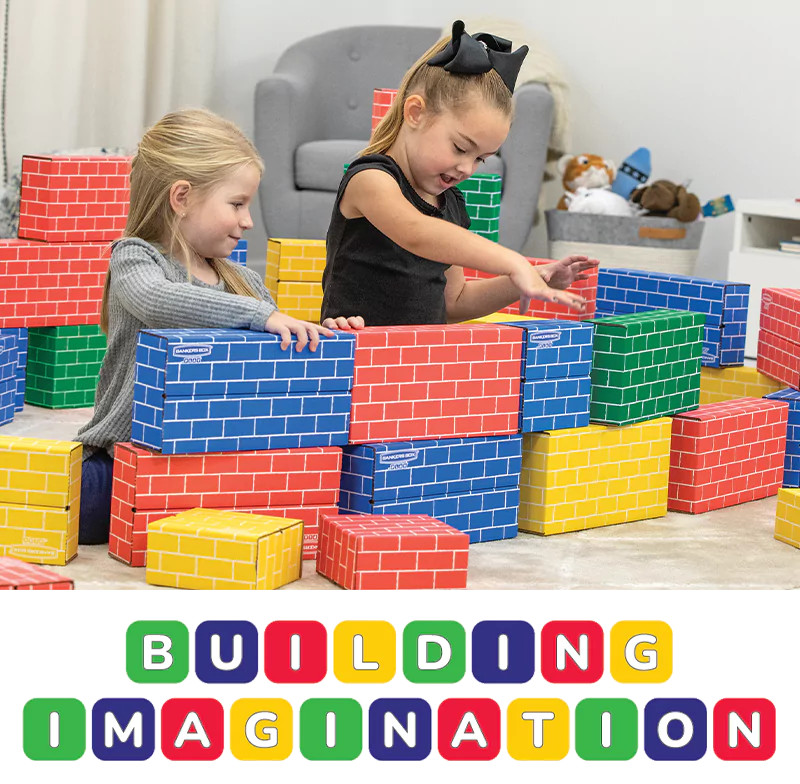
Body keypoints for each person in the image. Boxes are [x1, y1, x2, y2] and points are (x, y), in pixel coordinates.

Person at [75, 108, 338, 546]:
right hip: (121, 456)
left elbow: (275, 357)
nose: (248, 221)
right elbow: (158, 301)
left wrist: (323, 331)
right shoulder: (136, 259)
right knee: (85, 509)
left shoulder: (245, 281)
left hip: (211, 458)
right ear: (181, 197)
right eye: (236, 204)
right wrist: (259, 315)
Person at [320, 20, 598, 331]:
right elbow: (417, 233)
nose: (467, 168)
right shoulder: (371, 179)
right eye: (459, 147)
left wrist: (528, 279)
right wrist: (514, 262)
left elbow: (456, 302)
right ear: (415, 113)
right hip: (356, 356)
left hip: (423, 363)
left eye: (480, 158)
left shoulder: (450, 204)